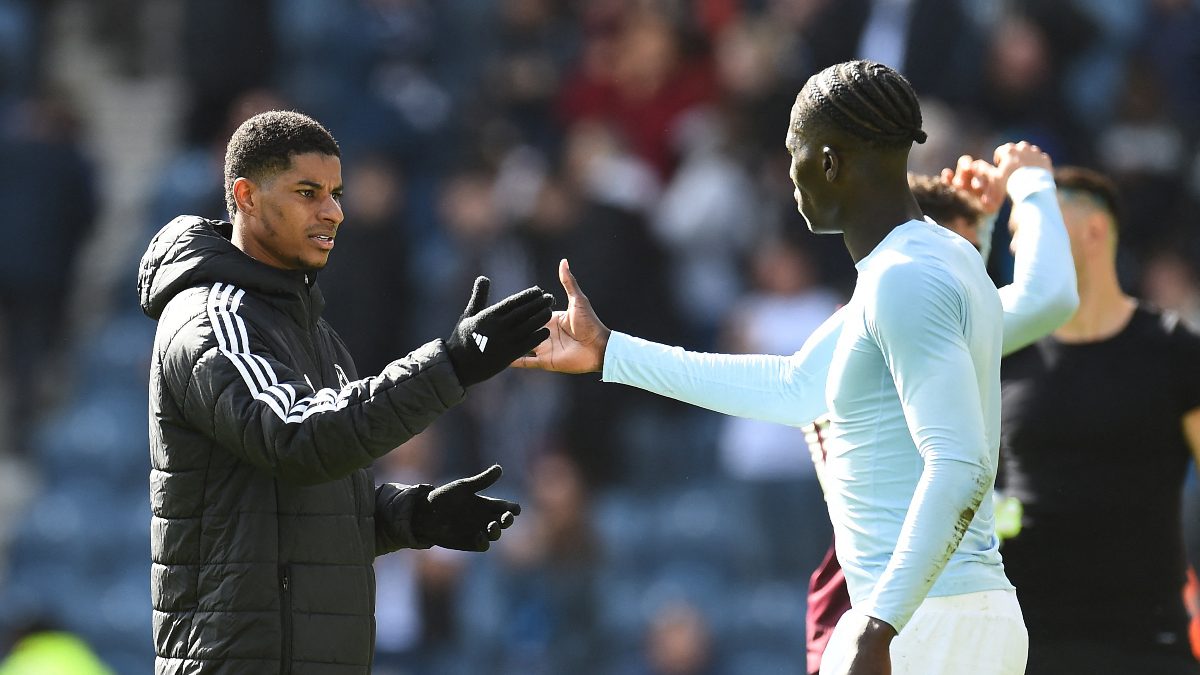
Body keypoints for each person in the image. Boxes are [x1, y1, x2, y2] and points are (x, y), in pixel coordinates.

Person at [517, 61, 1078, 674]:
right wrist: (612, 354)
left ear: (831, 161)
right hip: (943, 619)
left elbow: (963, 465)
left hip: (921, 625)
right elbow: (794, 386)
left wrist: (876, 624)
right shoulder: (918, 269)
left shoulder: (904, 279)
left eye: (795, 154)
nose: (789, 176)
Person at [137, 110, 554, 674]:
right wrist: (451, 363)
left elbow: (296, 504)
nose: (333, 211)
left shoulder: (314, 333)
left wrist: (412, 517)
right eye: (308, 192)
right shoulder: (213, 319)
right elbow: (299, 440)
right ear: (248, 197)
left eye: (335, 193)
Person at [802, 147, 1077, 673]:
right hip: (875, 601)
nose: (973, 276)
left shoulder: (911, 299)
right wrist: (1033, 185)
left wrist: (987, 222)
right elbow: (1046, 297)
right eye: (965, 250)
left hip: (921, 591)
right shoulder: (885, 322)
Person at [998, 166, 1200, 674]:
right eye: (1020, 231)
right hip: (1021, 642)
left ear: (1093, 231)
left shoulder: (1175, 350)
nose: (1022, 247)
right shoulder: (1002, 353)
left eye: (1039, 225)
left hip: (1148, 642)